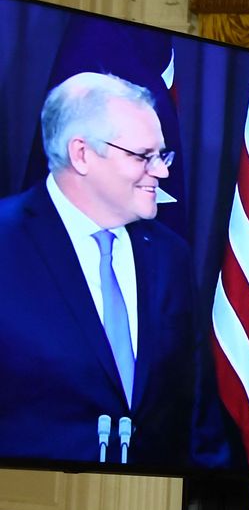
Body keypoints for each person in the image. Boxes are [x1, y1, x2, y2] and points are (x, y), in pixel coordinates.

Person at [0, 71, 231, 469]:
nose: (161, 171)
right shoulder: (8, 242)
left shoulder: (169, 257)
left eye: (162, 155)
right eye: (142, 157)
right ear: (82, 154)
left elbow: (198, 416)